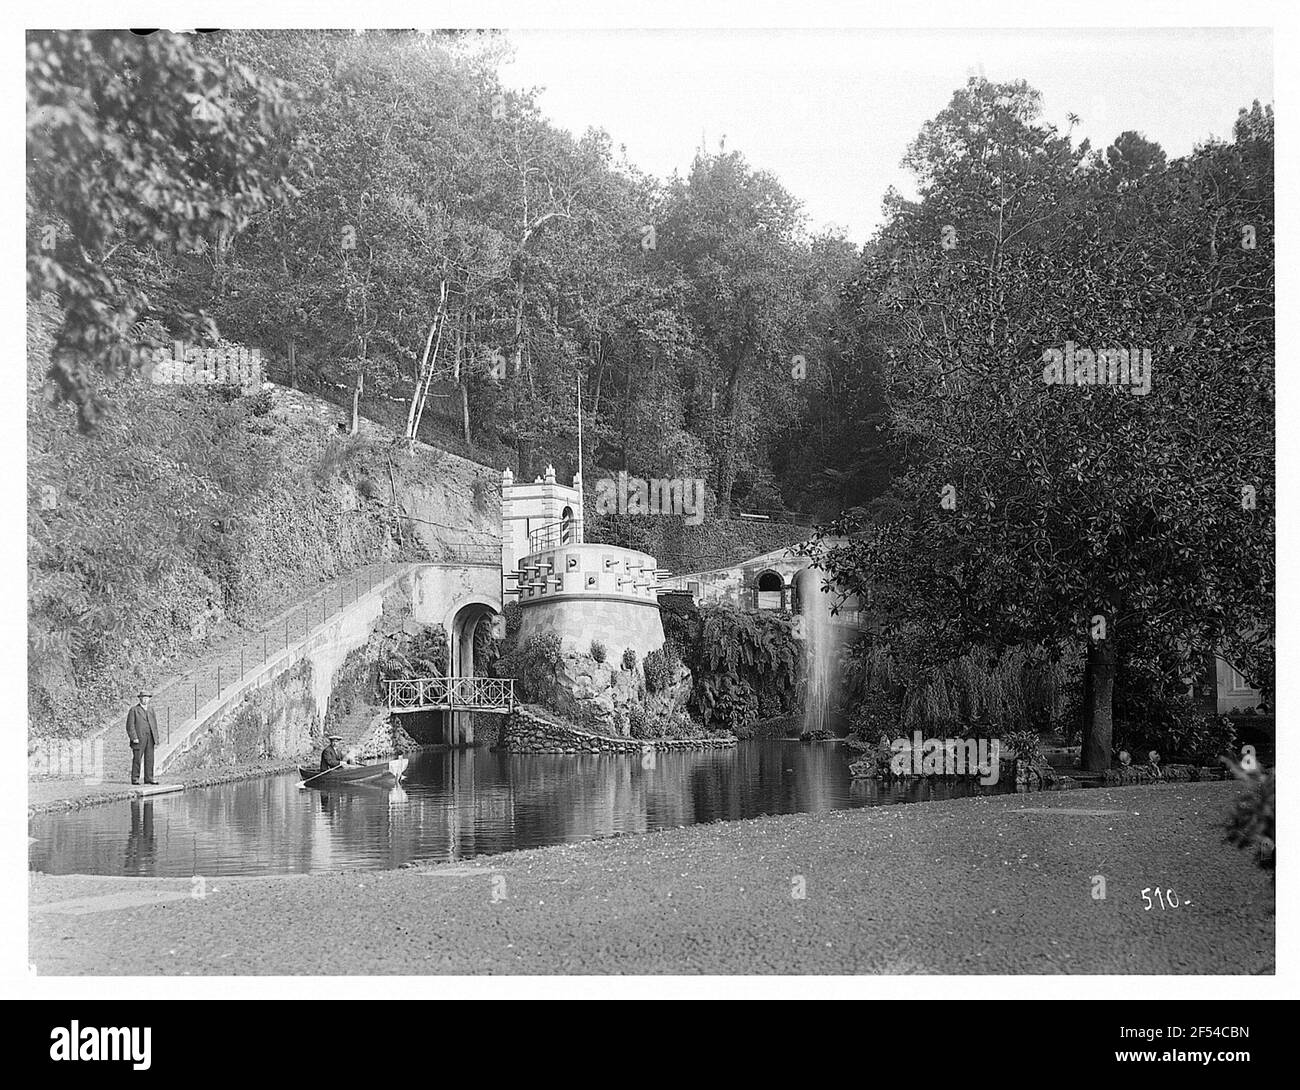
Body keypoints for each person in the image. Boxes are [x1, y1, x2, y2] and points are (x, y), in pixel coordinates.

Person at [126, 689, 159, 785]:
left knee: (150, 759)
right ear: (140, 699)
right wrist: (134, 737)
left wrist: (156, 738)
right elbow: (130, 725)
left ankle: (149, 778)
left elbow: (154, 724)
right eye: (143, 698)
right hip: (139, 738)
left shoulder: (151, 709)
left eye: (147, 698)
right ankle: (135, 778)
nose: (145, 700)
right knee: (137, 758)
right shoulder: (134, 710)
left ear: (149, 699)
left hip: (150, 738)